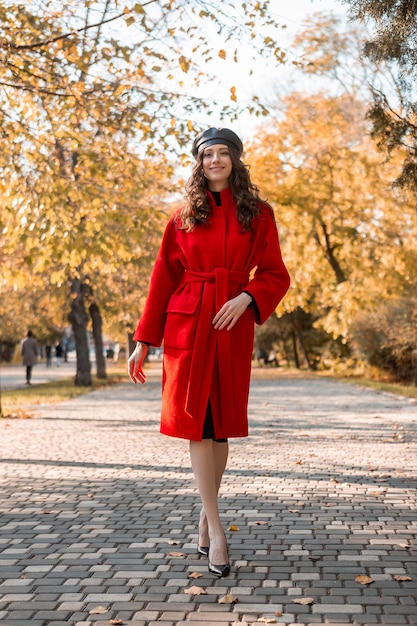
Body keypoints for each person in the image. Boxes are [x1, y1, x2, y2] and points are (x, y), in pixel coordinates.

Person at [128, 127, 290, 577]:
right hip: (188, 323)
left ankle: (204, 516)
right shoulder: (182, 216)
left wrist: (248, 298)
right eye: (208, 155)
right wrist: (144, 340)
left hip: (232, 323)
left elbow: (276, 272)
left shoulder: (258, 214)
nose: (215, 161)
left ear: (235, 160)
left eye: (223, 153)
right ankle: (217, 531)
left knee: (221, 428)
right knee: (197, 423)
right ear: (198, 163)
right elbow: (162, 278)